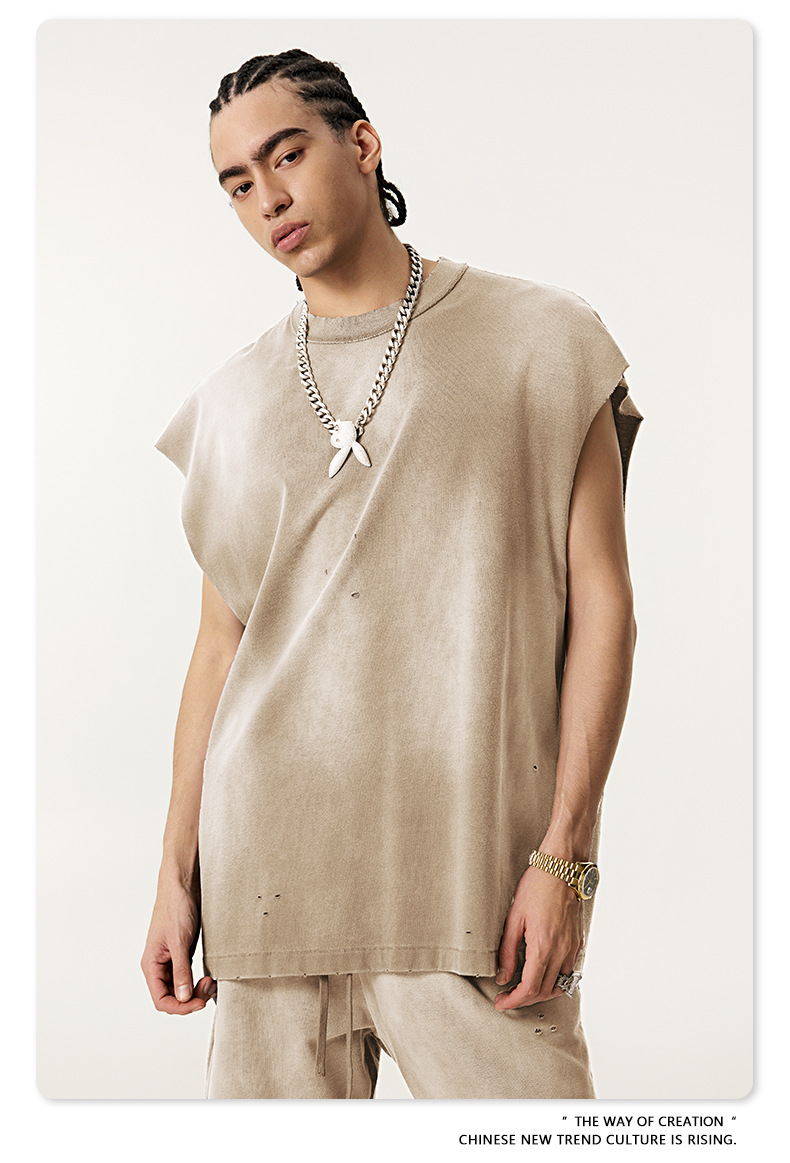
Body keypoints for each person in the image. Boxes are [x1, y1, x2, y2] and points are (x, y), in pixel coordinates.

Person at [141, 48, 644, 1100]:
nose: (268, 197)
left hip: (471, 891)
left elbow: (604, 610)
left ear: (361, 144)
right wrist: (175, 874)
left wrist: (566, 856)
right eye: (237, 182)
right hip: (266, 895)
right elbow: (220, 647)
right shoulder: (231, 403)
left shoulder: (542, 340)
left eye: (287, 155)